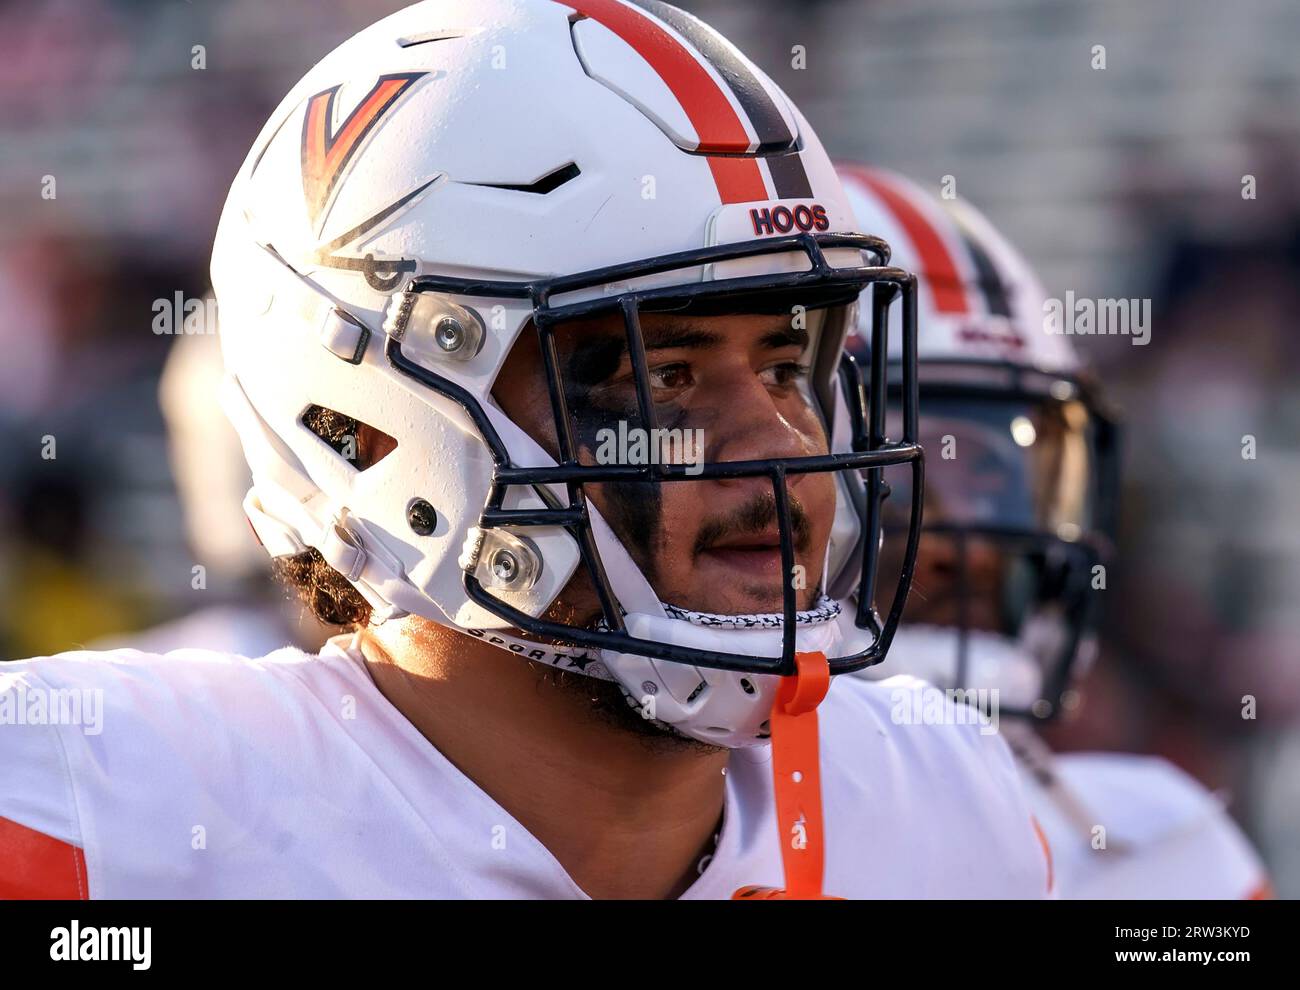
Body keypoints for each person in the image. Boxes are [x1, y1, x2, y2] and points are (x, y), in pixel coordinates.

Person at [0, 0, 1048, 900]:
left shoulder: (943, 808)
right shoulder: (109, 812)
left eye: (784, 367)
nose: (777, 440)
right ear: (370, 426)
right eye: (661, 374)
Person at [837, 162, 1271, 899]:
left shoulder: (1166, 859)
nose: (953, 549)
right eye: (894, 474)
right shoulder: (645, 844)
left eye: (986, 471)